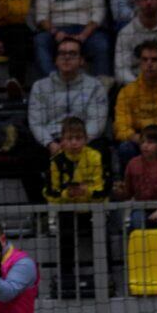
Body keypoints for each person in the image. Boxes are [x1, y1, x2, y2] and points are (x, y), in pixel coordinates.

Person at [45, 116, 107, 296]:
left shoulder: (95, 157)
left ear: (86, 139)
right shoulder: (56, 161)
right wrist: (67, 194)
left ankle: (105, 272)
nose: (74, 143)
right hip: (67, 209)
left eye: (78, 138)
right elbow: (50, 192)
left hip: (92, 208)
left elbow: (102, 187)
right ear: (62, 140)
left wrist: (86, 192)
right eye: (69, 138)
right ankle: (66, 275)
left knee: (102, 231)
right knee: (65, 234)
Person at [28, 36, 108, 156]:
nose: (66, 57)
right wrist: (50, 143)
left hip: (84, 140)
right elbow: (36, 123)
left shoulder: (95, 86)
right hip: (52, 141)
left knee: (100, 147)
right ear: (55, 60)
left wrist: (80, 142)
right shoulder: (39, 87)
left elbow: (97, 121)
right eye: (62, 53)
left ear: (81, 60)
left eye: (72, 53)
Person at [114, 40, 157, 172]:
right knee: (125, 148)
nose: (149, 64)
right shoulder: (127, 92)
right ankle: (129, 188)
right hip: (138, 142)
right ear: (140, 63)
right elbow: (121, 126)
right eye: (144, 59)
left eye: (154, 60)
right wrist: (142, 140)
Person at [113, 124, 157, 230]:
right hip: (141, 208)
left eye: (150, 142)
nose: (145, 145)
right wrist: (120, 192)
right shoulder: (132, 164)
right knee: (137, 224)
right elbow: (128, 193)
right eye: (142, 142)